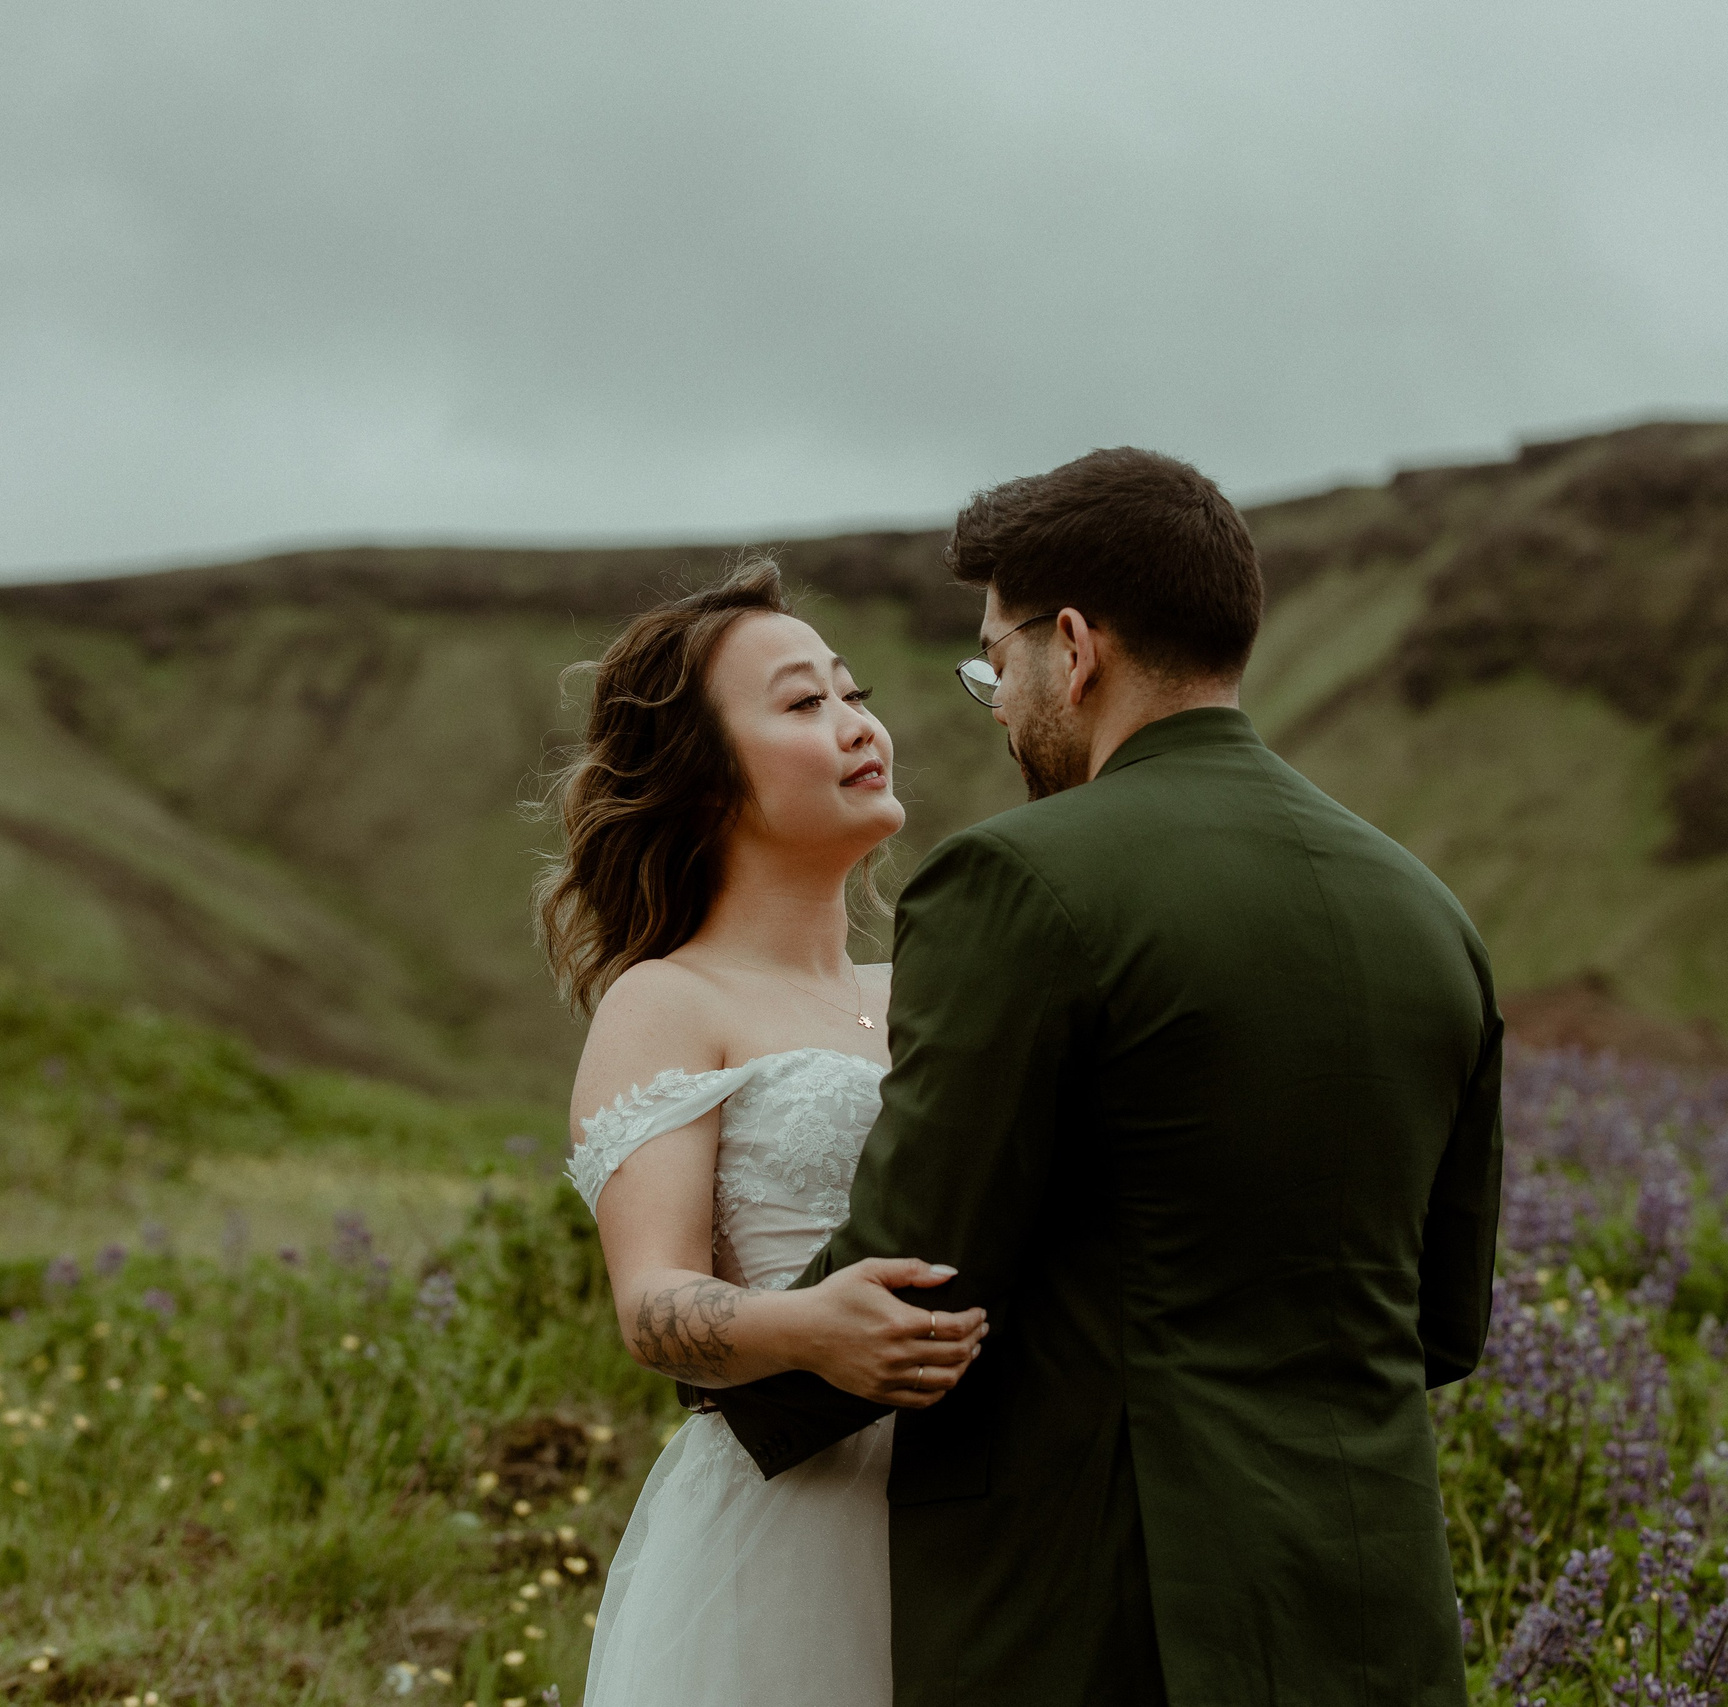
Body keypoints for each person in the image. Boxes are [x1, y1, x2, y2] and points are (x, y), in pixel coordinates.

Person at [710, 447, 1505, 1706]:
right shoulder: (1428, 916)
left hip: (1096, 1622)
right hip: (1370, 1619)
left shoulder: (1018, 882)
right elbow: (1445, 1321)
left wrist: (715, 1380)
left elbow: (923, 1265)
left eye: (994, 663)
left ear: (1070, 647)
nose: (998, 702)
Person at [542, 559, 986, 1707]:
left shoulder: (925, 991)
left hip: (985, 1510)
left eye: (852, 691)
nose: (855, 725)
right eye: (801, 703)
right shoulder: (669, 1002)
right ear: (701, 780)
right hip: (794, 1522)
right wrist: (808, 1330)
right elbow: (652, 1307)